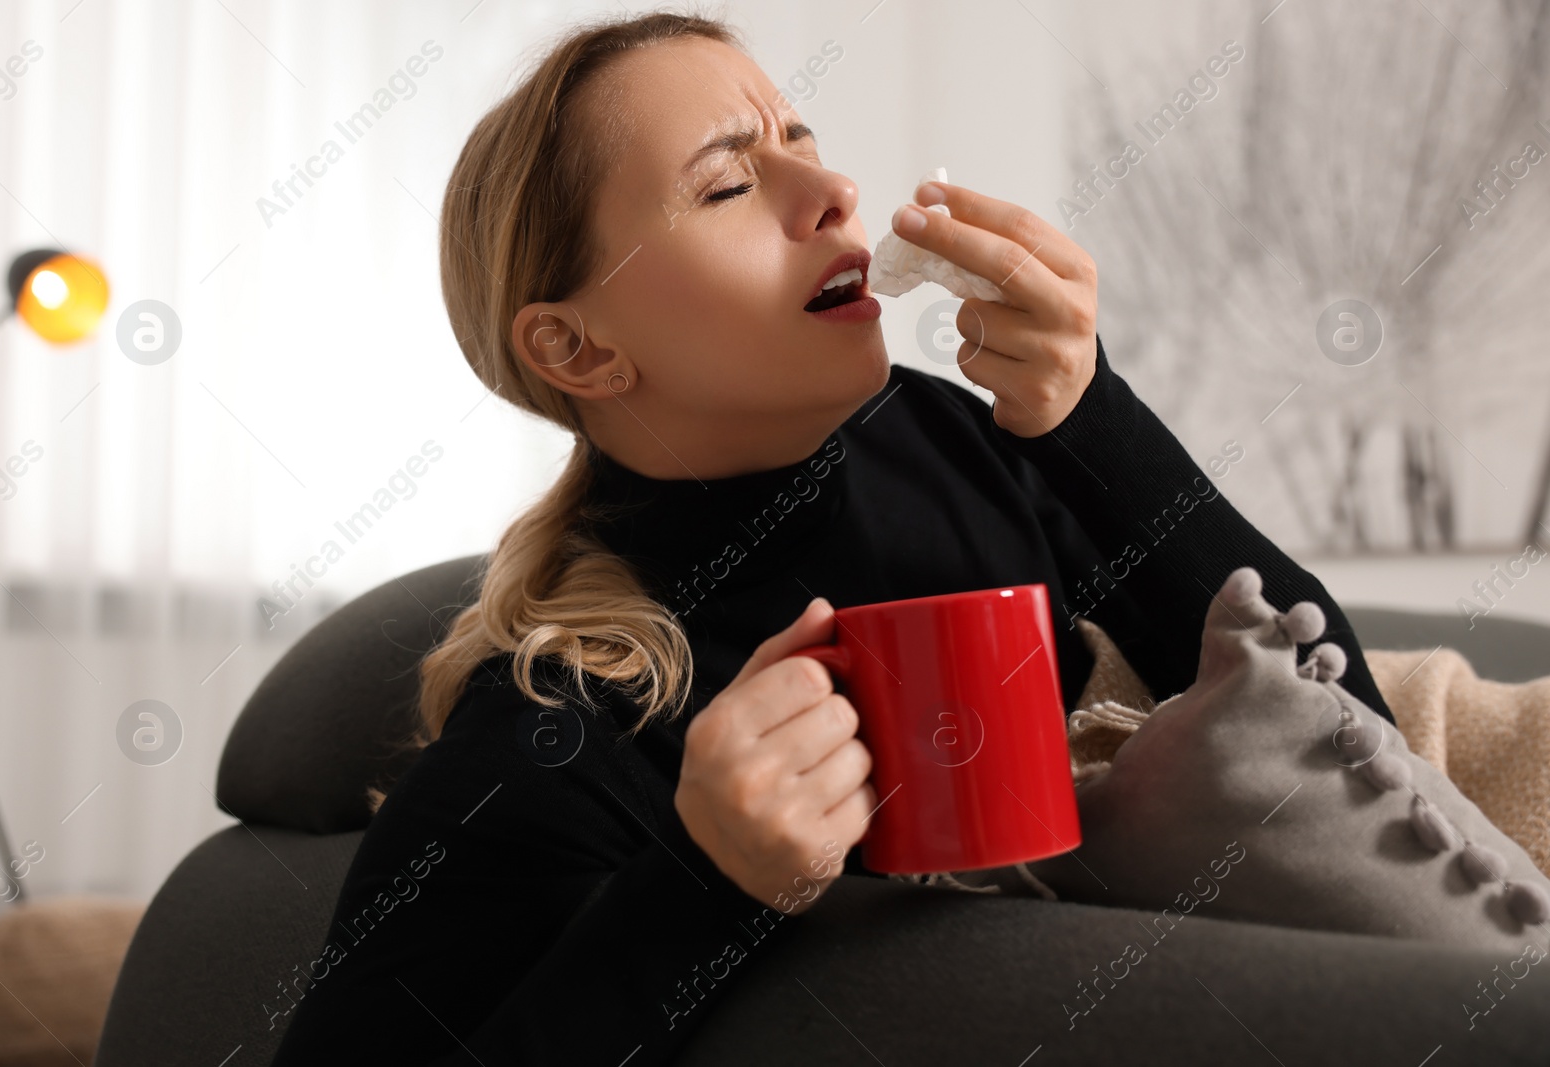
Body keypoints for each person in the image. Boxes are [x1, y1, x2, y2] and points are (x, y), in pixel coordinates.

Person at [269, 10, 1395, 1065]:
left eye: (799, 136)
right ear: (579, 349)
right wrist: (706, 880)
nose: (831, 191)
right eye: (724, 184)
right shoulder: (563, 729)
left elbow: (1354, 751)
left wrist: (1091, 413)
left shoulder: (950, 434)